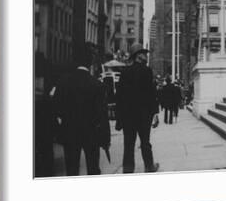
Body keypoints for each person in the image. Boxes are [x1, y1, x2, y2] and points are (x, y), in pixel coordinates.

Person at [53, 48, 110, 176]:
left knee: (72, 169)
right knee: (93, 168)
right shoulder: (97, 85)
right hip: (91, 133)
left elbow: (56, 108)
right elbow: (102, 114)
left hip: (70, 131)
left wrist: (61, 127)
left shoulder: (63, 82)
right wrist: (105, 139)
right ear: (90, 63)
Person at [115, 43, 160, 173]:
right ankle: (149, 166)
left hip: (128, 116)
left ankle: (128, 170)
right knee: (145, 142)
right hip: (144, 116)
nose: (146, 55)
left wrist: (119, 118)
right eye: (144, 53)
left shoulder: (125, 72)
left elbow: (119, 97)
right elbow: (152, 94)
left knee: (128, 145)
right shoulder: (147, 71)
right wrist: (155, 113)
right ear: (138, 56)